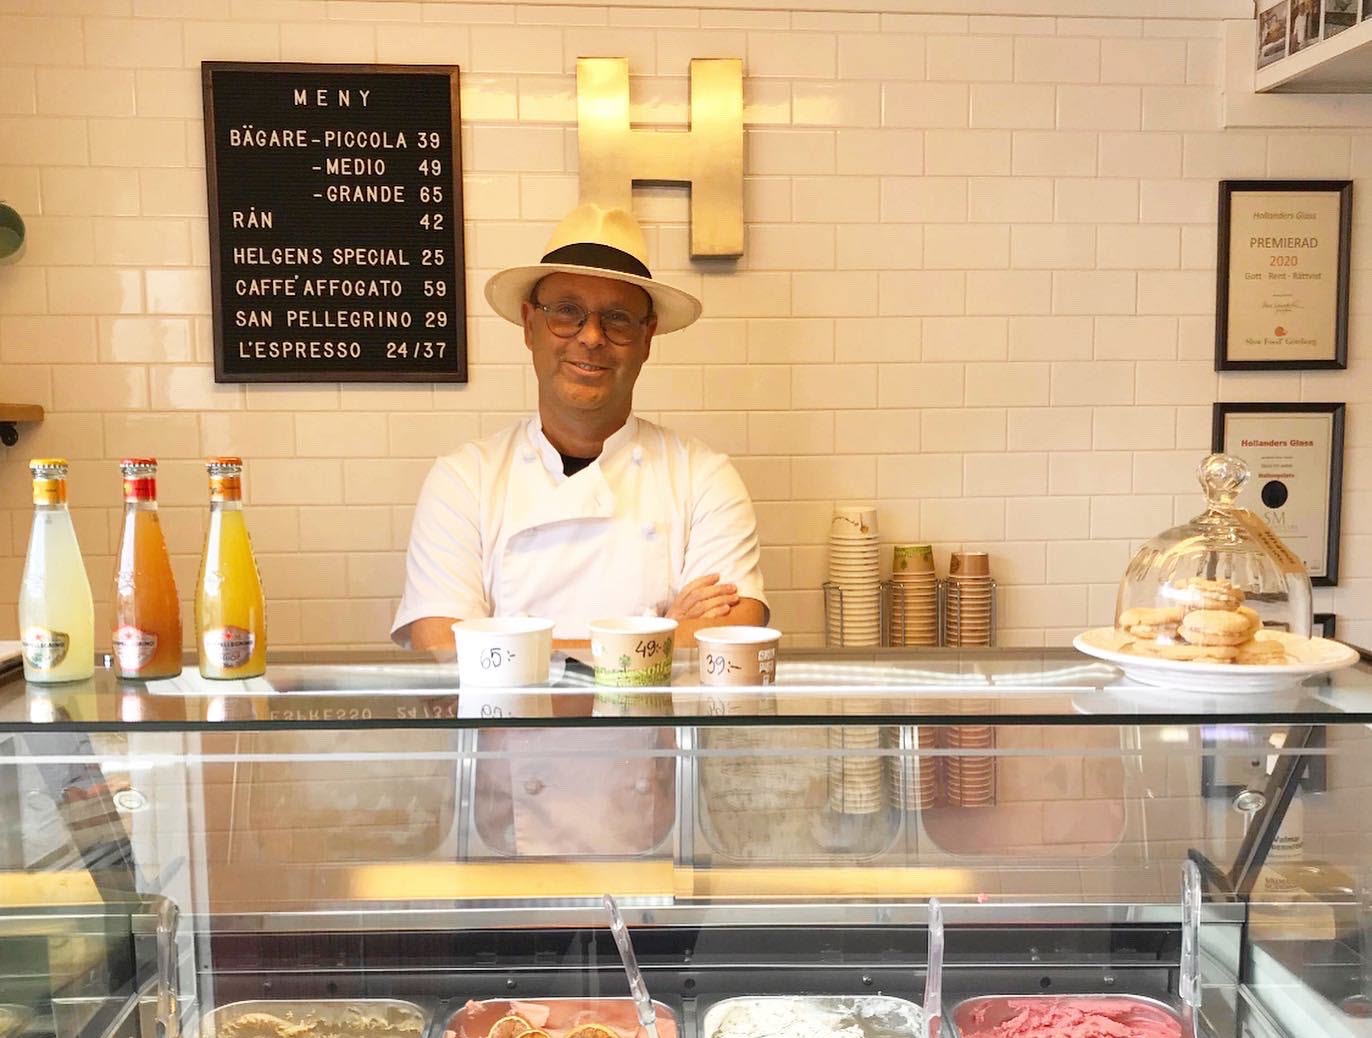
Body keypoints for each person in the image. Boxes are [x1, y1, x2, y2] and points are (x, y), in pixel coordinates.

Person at [391, 203, 769, 654]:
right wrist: (662, 637)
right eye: (567, 312)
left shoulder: (702, 476)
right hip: (509, 728)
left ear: (646, 339)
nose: (591, 337)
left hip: (650, 729)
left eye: (617, 318)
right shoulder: (463, 479)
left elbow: (735, 637)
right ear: (530, 325)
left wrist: (502, 650)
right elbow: (441, 649)